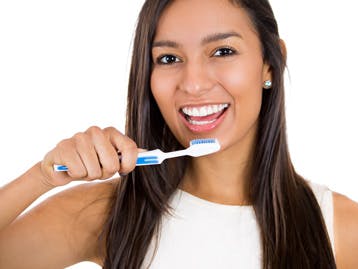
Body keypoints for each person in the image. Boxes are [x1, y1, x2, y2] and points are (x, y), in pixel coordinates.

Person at [0, 0, 357, 268]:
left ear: (270, 63)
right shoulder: (106, 213)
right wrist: (42, 177)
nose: (194, 83)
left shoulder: (340, 227)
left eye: (223, 51)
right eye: (169, 59)